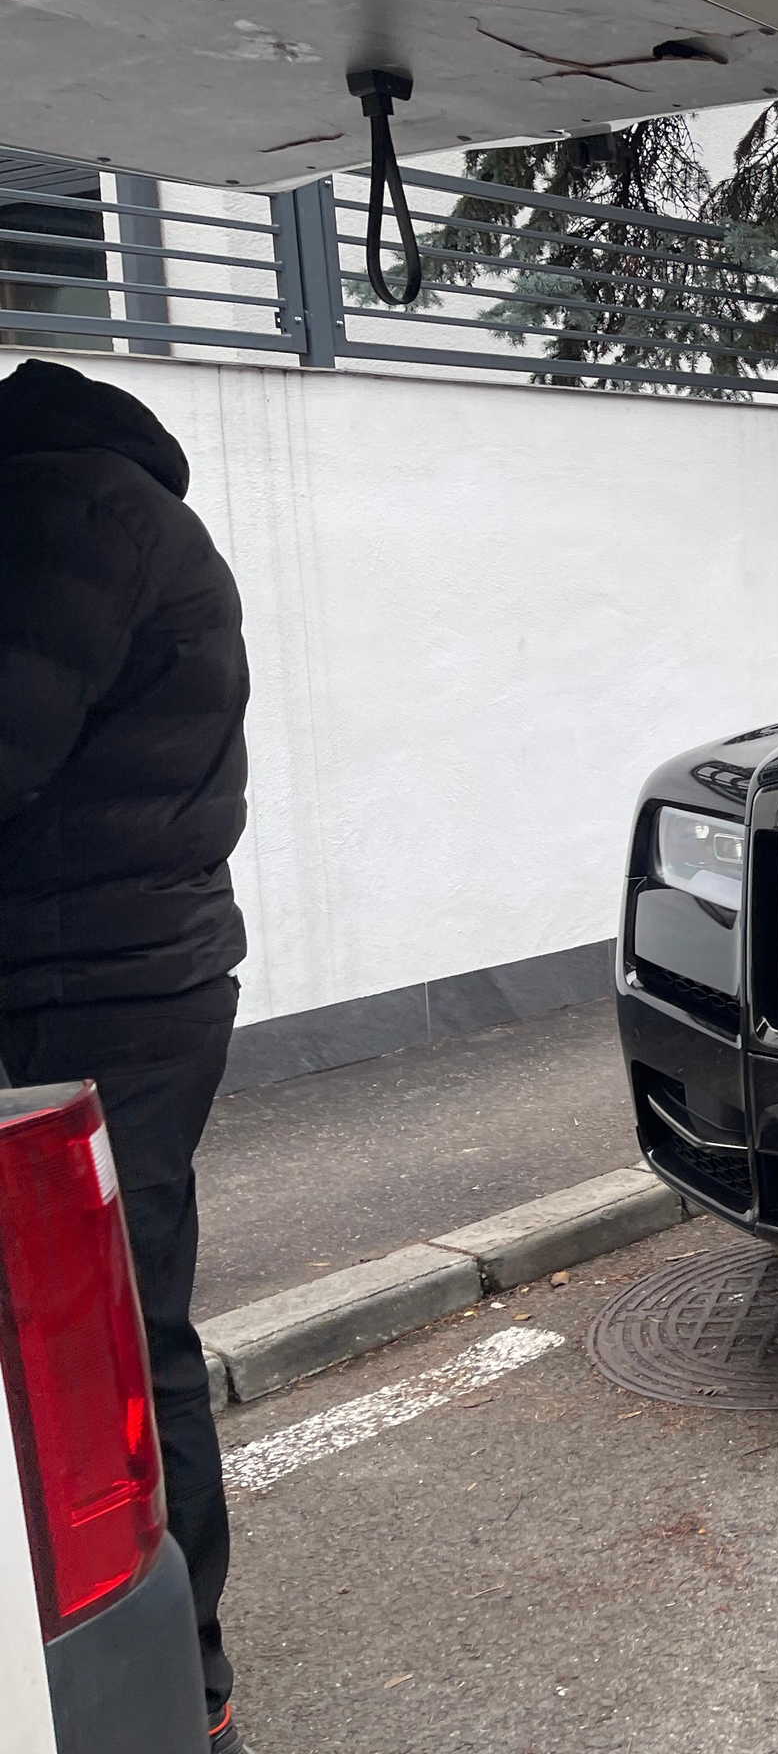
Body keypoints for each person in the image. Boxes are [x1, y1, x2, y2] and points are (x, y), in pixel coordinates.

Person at [0, 359, 252, 1754]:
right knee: (106, 1335)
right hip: (125, 980)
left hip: (87, 1001)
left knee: (115, 1343)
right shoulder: (97, 498)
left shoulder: (63, 511)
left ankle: (180, 1685)